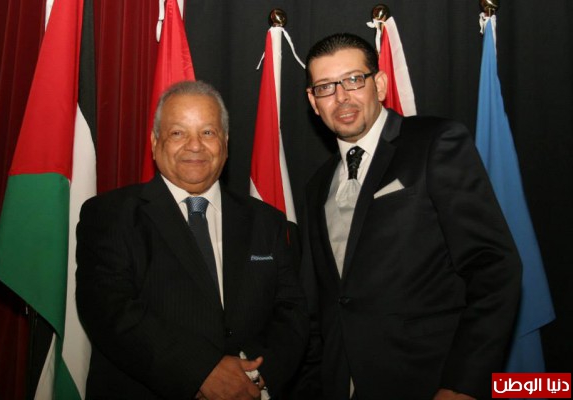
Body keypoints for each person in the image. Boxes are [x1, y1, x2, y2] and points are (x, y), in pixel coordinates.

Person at [298, 32, 522, 400]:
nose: (341, 97)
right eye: (325, 87)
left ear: (380, 84)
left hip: (429, 381)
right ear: (313, 101)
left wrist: (461, 384)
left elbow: (494, 267)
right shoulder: (316, 186)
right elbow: (319, 304)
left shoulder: (435, 143)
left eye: (353, 80)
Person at [76, 80, 309, 400]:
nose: (195, 146)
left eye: (208, 132)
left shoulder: (267, 221)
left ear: (225, 143)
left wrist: (253, 376)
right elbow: (109, 311)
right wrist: (201, 372)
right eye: (178, 133)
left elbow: (291, 311)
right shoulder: (110, 214)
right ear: (154, 143)